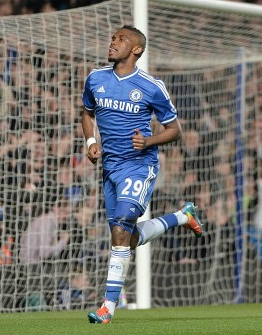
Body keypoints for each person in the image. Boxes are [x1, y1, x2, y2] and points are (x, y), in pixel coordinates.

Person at [82, 25, 204, 324]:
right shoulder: (95, 78)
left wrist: (149, 141)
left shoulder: (151, 86)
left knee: (122, 226)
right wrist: (91, 141)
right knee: (125, 237)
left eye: (121, 39)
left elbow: (175, 130)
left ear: (136, 49)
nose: (113, 42)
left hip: (139, 165)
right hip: (110, 167)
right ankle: (181, 217)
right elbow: (87, 112)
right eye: (113, 38)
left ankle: (108, 308)